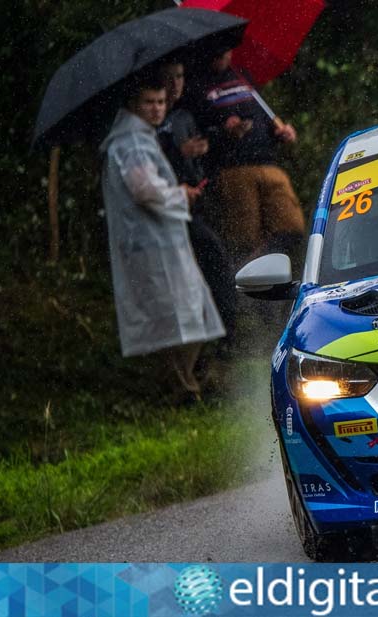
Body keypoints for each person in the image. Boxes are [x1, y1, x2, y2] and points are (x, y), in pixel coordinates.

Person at [100, 76, 225, 401]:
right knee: (171, 314)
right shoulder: (131, 141)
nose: (156, 109)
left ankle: (185, 384)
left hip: (161, 238)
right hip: (150, 242)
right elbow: (144, 190)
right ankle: (179, 388)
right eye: (148, 103)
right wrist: (178, 194)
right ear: (133, 105)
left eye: (160, 102)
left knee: (187, 309)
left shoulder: (140, 137)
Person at [186, 47, 305, 268]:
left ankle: (267, 275)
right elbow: (197, 134)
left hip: (267, 163)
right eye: (217, 48)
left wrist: (279, 131)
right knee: (245, 240)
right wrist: (223, 131)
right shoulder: (196, 85)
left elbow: (262, 116)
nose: (223, 54)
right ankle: (248, 290)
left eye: (226, 48)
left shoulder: (243, 75)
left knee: (292, 228)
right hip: (232, 169)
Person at [157, 61, 237, 350]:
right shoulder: (152, 118)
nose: (175, 83)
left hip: (197, 202)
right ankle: (213, 342)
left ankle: (224, 338)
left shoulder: (184, 114)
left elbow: (205, 153)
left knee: (215, 263)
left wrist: (211, 143)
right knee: (199, 272)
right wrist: (177, 153)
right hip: (170, 210)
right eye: (169, 77)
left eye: (179, 76)